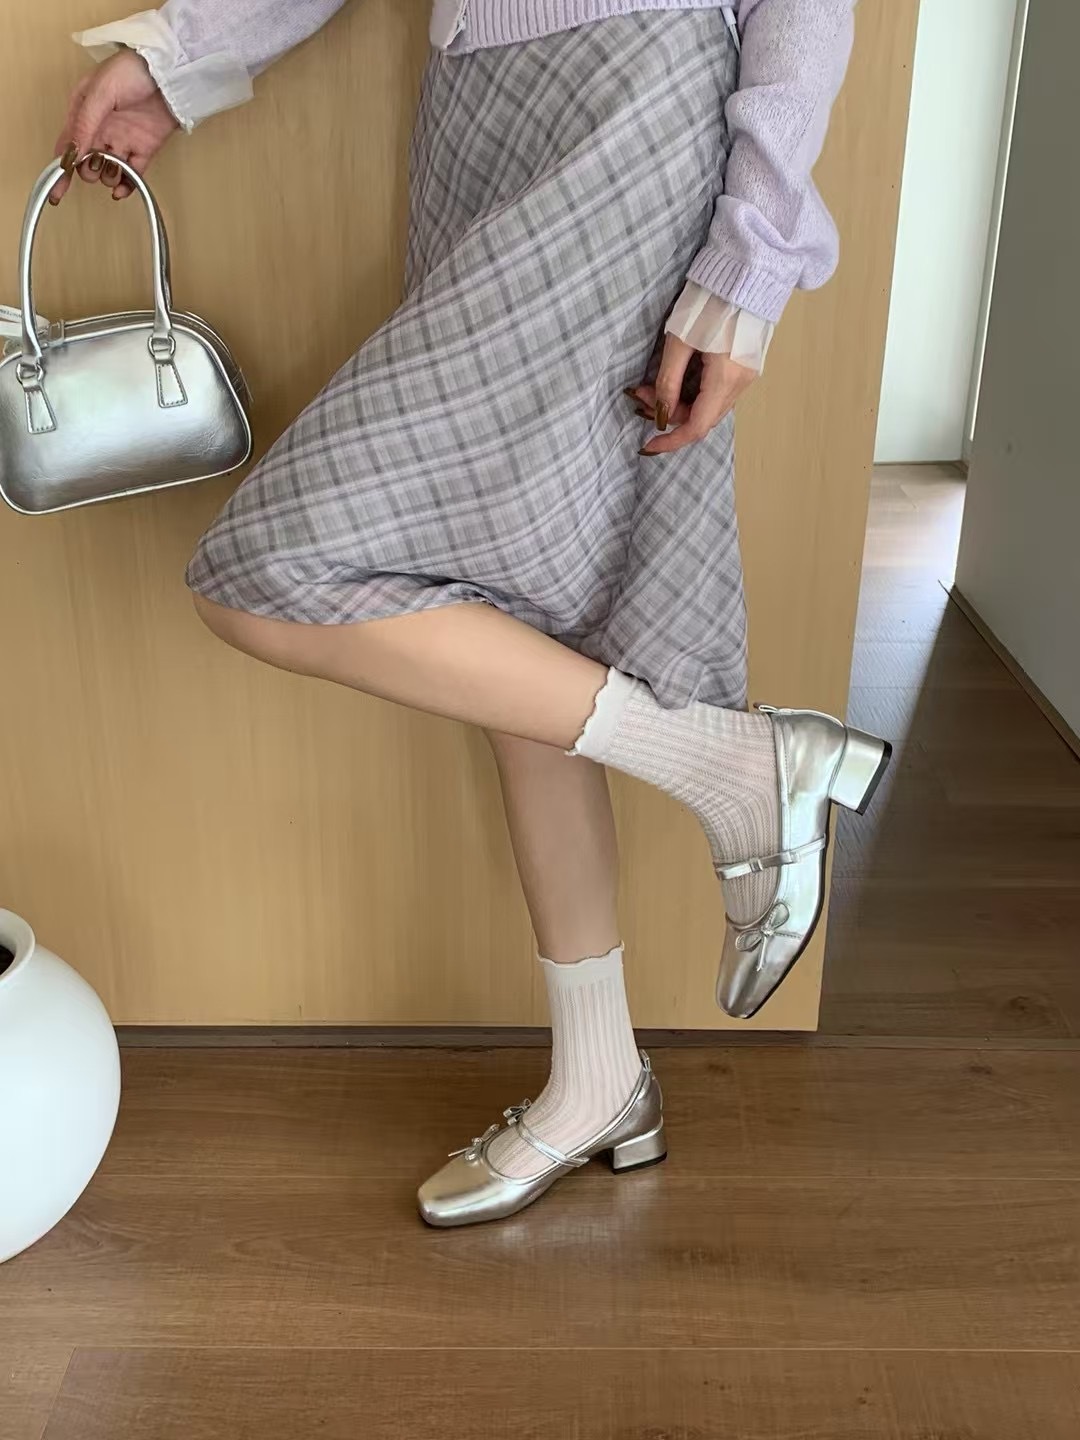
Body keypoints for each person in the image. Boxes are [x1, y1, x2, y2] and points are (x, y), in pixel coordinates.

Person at [56, 0, 888, 1228]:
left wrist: (752, 254)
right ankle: (602, 1073)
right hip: (474, 115)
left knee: (270, 573)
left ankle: (744, 771)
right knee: (509, 611)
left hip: (635, 97)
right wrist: (182, 59)